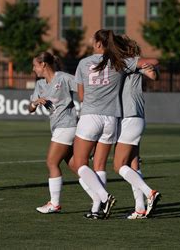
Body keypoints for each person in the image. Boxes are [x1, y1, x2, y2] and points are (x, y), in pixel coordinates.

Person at [73, 29, 152, 220]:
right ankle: (96, 208)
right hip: (112, 119)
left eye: (93, 40)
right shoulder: (120, 63)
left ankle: (104, 198)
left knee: (80, 163)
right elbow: (149, 64)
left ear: (98, 43)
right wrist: (150, 69)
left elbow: (81, 96)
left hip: (91, 116)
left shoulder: (84, 63)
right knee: (100, 164)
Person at [112, 35, 161, 219]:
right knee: (133, 164)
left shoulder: (126, 62)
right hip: (136, 118)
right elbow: (152, 74)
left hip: (130, 118)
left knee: (118, 166)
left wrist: (150, 69)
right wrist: (151, 71)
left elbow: (152, 68)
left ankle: (150, 193)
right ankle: (140, 208)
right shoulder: (133, 65)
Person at [29, 52, 78, 214]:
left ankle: (54, 203)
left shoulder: (63, 78)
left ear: (43, 65)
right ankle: (101, 195)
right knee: (76, 166)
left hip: (68, 125)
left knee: (51, 163)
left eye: (35, 65)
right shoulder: (40, 85)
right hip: (58, 128)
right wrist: (35, 103)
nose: (33, 69)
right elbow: (30, 108)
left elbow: (84, 88)